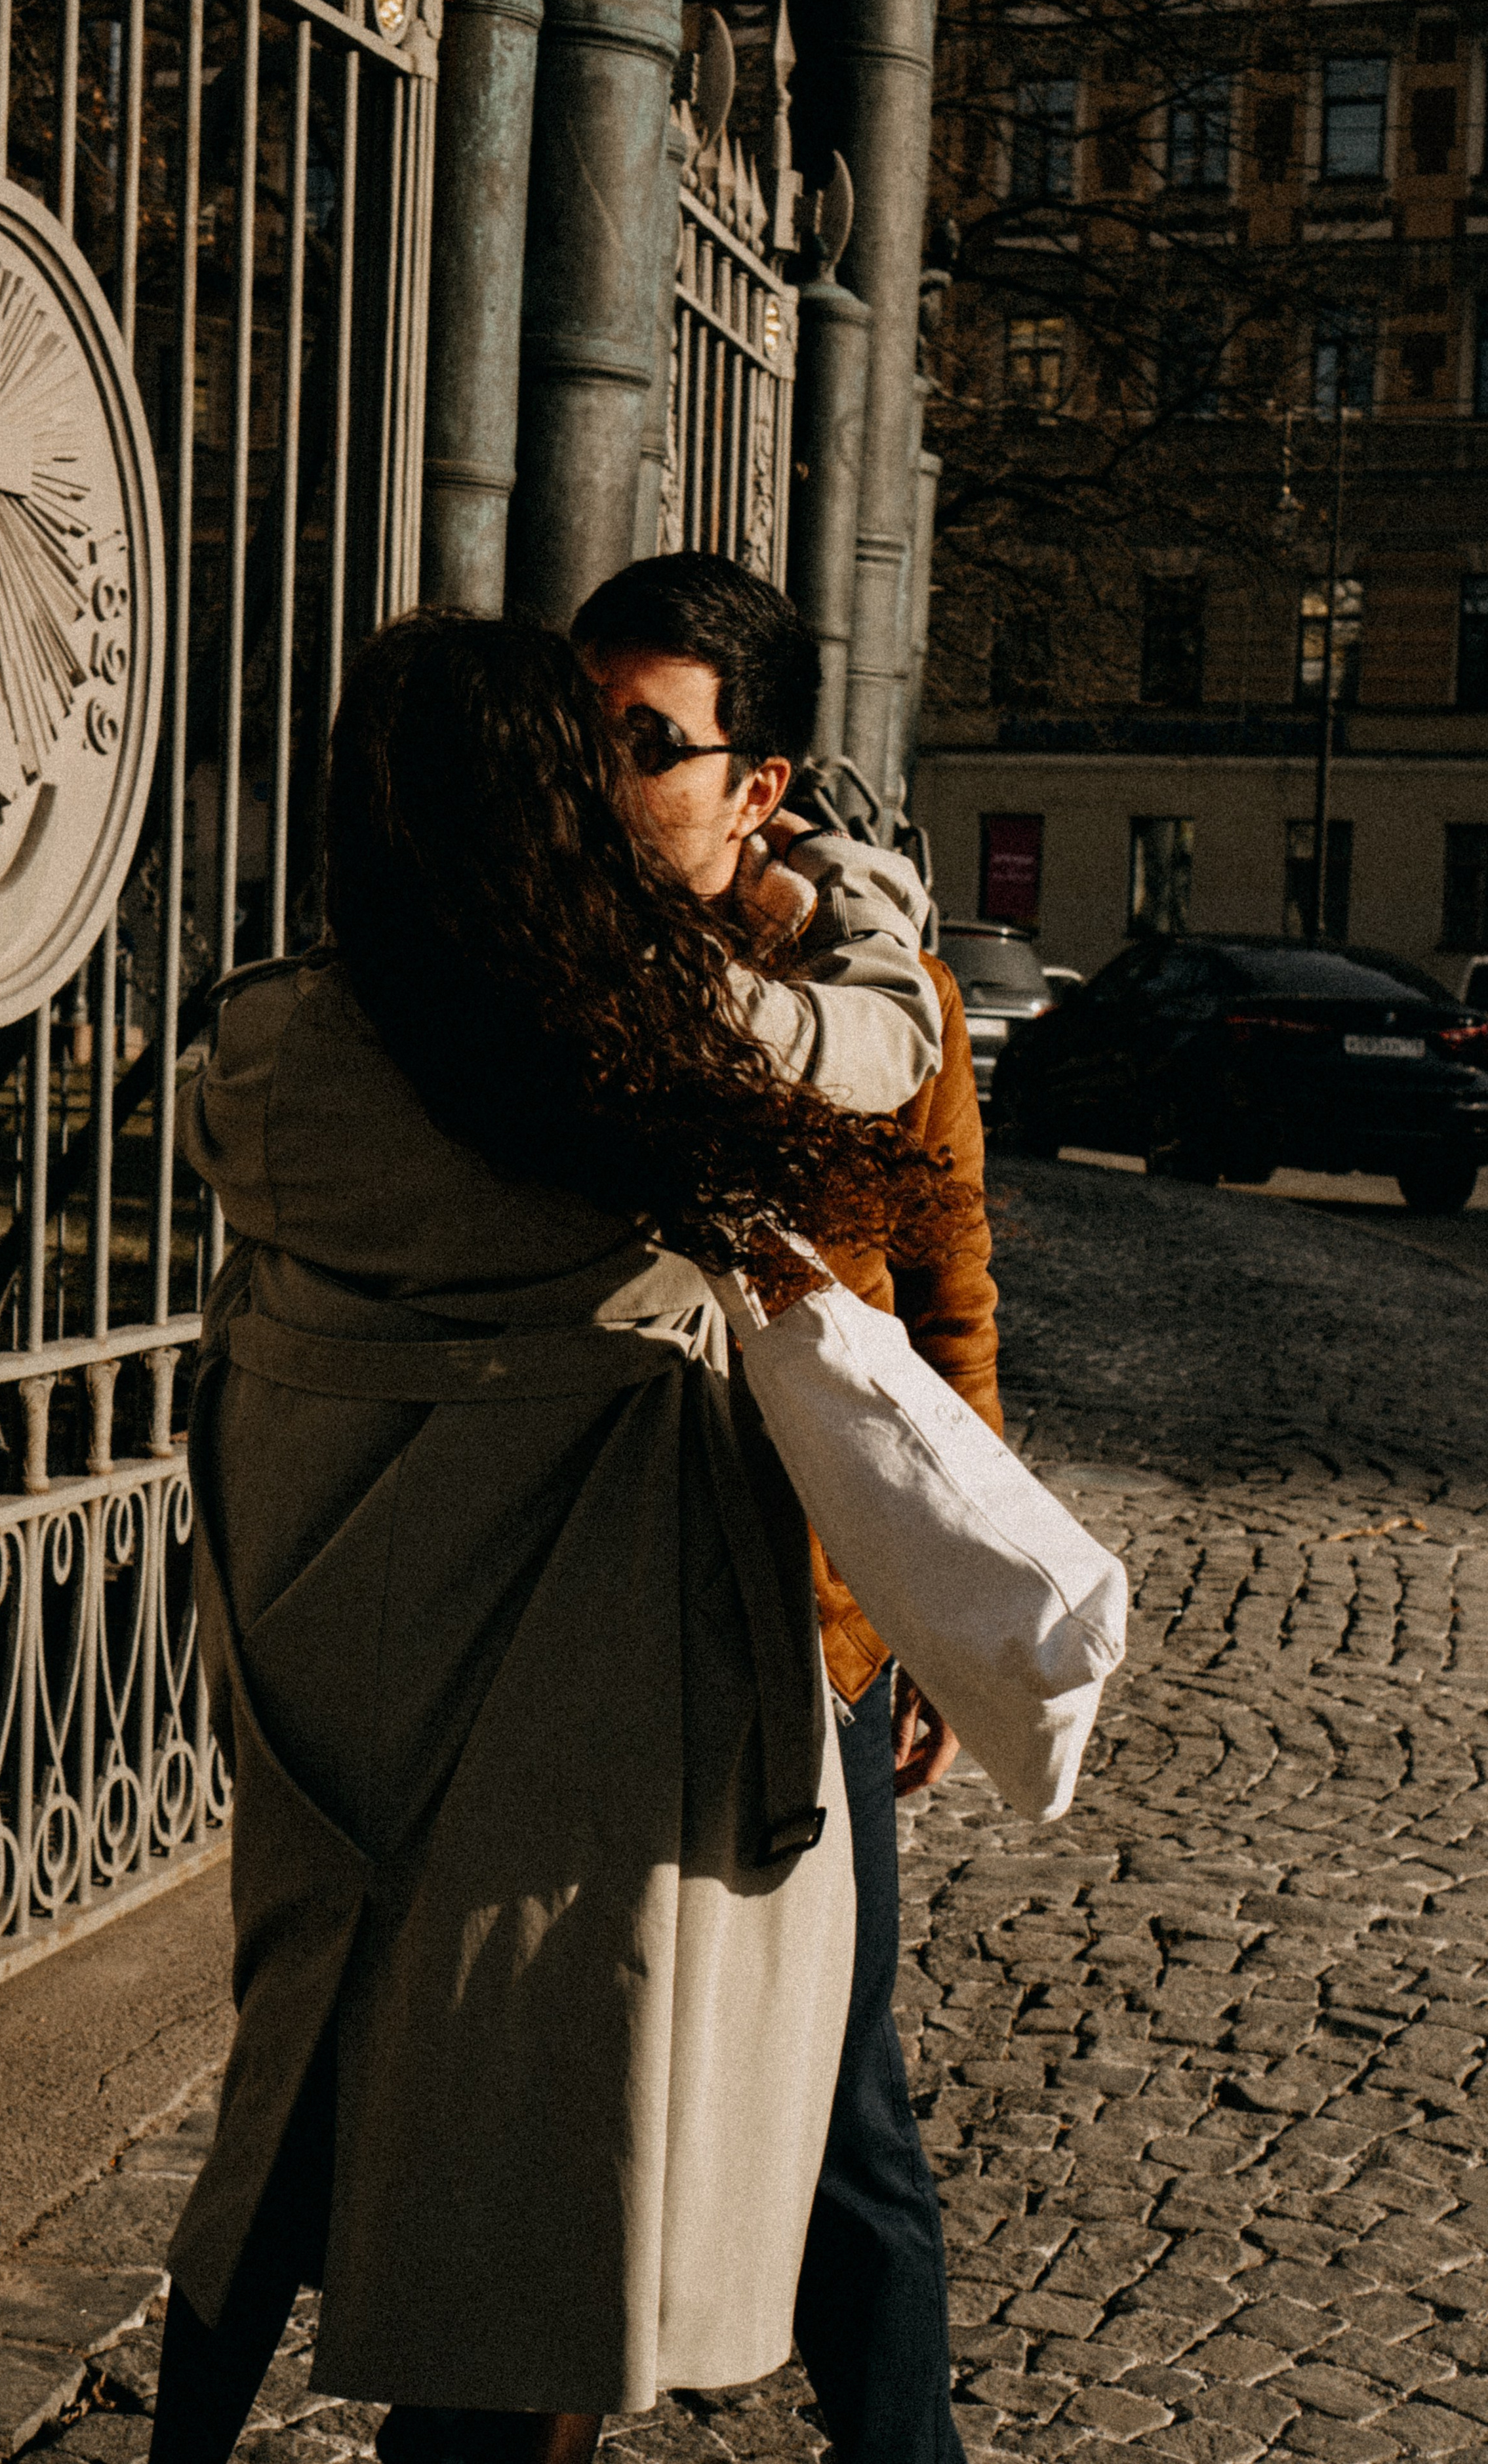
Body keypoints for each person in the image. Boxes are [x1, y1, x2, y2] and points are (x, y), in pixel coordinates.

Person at [151, 610, 954, 2464]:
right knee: (543, 2190)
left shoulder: (273, 1051)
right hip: (568, 1738)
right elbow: (886, 1044)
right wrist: (846, 876)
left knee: (306, 2103)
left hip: (343, 1702)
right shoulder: (652, 1052)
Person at [575, 552, 1000, 2464]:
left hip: (803, 1636)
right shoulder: (543, 964)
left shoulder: (883, 1002)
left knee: (844, 2116)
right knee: (564, 2088)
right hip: (578, 1616)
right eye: (579, 734)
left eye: (648, 745)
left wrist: (931, 1603)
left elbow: (951, 1293)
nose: (601, 778)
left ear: (759, 784)